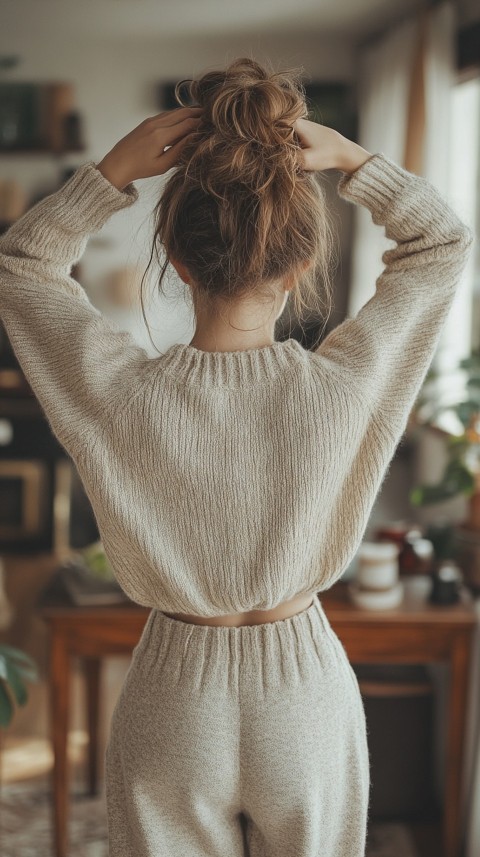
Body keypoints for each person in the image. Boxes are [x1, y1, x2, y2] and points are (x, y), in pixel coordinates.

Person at [0, 57, 474, 857]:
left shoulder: (119, 395)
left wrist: (110, 173)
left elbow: (21, 265)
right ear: (297, 271)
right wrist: (358, 162)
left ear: (178, 265)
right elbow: (439, 243)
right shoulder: (345, 387)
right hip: (305, 694)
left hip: (171, 701)